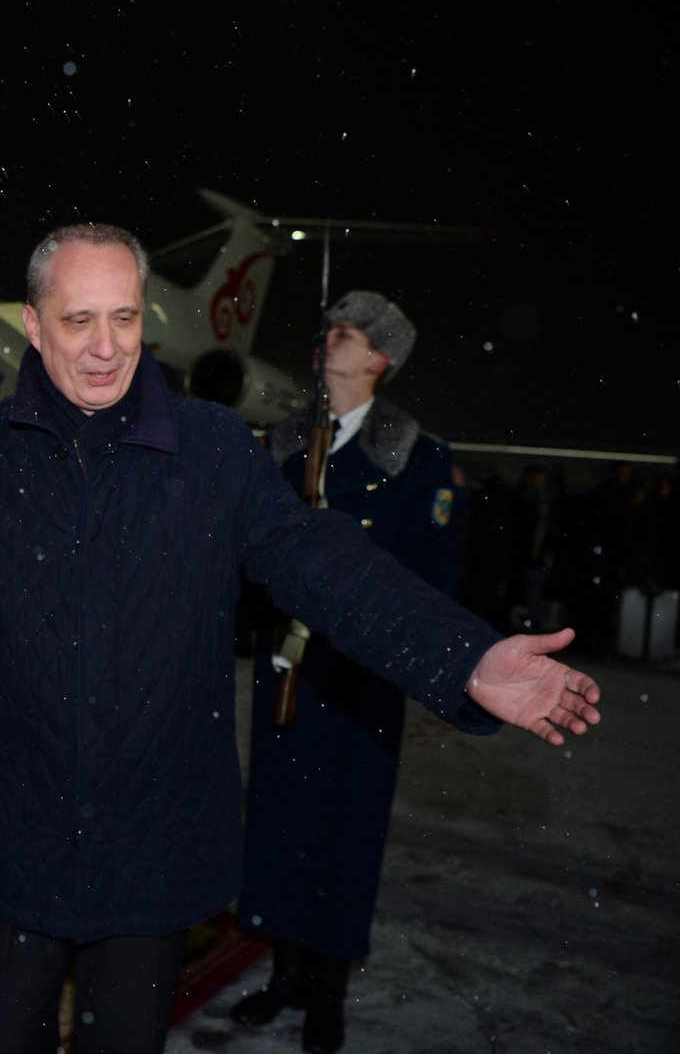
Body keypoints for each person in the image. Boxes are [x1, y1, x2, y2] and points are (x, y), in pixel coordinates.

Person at [0, 224, 601, 1054]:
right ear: (35, 326)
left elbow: (323, 562)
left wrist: (463, 655)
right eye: (79, 321)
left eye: (124, 317)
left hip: (150, 843)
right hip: (15, 827)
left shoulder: (213, 450)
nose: (107, 346)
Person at [233, 291, 457, 1053]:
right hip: (289, 667)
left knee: (344, 831)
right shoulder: (284, 443)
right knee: (280, 824)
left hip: (361, 677)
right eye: (327, 329)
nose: (329, 340)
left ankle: (327, 990)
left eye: (348, 334)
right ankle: (285, 973)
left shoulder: (417, 458)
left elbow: (429, 572)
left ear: (379, 360)